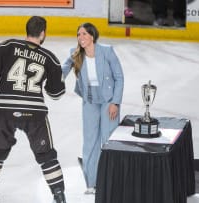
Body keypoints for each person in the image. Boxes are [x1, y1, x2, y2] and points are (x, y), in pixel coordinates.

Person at [0, 16, 66, 203]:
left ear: (27, 31)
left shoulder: (5, 46)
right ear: (43, 34)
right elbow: (56, 94)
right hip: (34, 113)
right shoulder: (50, 58)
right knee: (46, 156)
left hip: (5, 111)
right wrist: (56, 78)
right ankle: (59, 197)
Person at [62, 23, 124, 194]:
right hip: (90, 100)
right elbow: (62, 71)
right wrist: (50, 79)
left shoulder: (107, 51)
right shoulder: (75, 54)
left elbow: (119, 77)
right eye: (78, 34)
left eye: (83, 34)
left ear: (92, 36)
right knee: (90, 142)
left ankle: (114, 181)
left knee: (108, 140)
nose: (80, 37)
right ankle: (91, 183)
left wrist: (115, 102)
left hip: (108, 99)